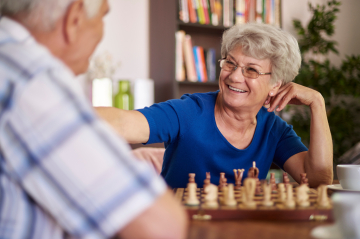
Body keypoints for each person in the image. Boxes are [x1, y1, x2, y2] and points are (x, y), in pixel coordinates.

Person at [0, 0, 188, 238]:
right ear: (75, 18)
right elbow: (160, 224)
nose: (101, 30)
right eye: (102, 17)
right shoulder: (32, 79)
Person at [97, 23, 333, 189]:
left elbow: (318, 180)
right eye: (230, 64)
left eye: (251, 69)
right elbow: (123, 122)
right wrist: (61, 110)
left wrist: (317, 103)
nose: (234, 77)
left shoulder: (274, 129)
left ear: (276, 84)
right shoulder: (189, 111)